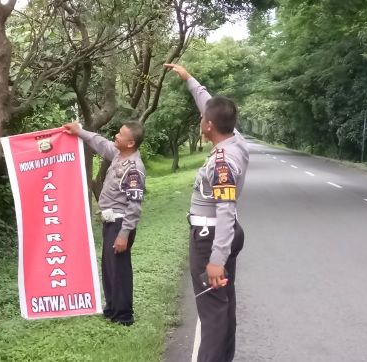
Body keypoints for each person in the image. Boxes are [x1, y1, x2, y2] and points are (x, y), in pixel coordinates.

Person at [165, 63, 249, 362]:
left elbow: (226, 210)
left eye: (203, 119)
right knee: (223, 305)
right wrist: (189, 80)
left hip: (210, 236)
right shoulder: (234, 139)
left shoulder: (223, 162)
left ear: (209, 126)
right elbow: (209, 104)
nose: (201, 120)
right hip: (219, 233)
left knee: (212, 312)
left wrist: (216, 259)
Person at [63, 121, 146, 326]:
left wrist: (124, 234)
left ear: (130, 142)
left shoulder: (134, 169)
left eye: (120, 134)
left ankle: (124, 315)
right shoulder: (118, 154)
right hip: (110, 221)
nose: (116, 136)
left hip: (120, 224)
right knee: (109, 268)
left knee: (120, 270)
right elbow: (99, 142)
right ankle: (112, 309)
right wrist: (79, 131)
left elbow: (134, 206)